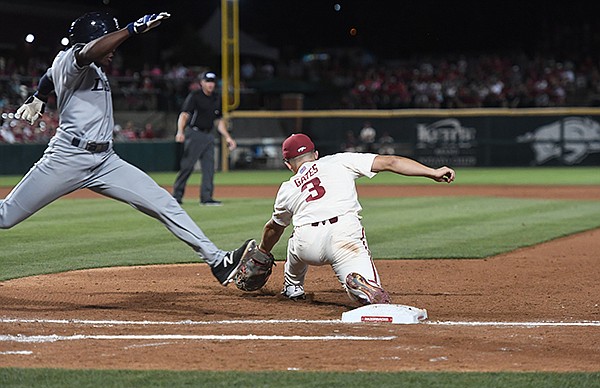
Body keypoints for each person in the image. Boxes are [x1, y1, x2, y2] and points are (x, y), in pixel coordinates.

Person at [3, 11, 255, 286]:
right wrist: (129, 30)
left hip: (105, 161)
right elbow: (85, 54)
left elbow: (49, 77)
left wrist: (39, 95)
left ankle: (218, 261)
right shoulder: (74, 59)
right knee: (6, 216)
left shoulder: (82, 65)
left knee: (163, 202)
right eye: (109, 41)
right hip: (67, 158)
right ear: (94, 40)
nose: (114, 50)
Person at [256, 133, 455, 304]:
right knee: (374, 294)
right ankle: (360, 288)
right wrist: (433, 172)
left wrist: (263, 251)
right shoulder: (339, 160)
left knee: (294, 237)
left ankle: (293, 288)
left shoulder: (287, 188)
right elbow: (391, 162)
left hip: (307, 244)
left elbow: (274, 228)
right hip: (344, 238)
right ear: (316, 155)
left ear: (287, 164)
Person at [172, 71, 237, 206]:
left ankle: (206, 198)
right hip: (194, 133)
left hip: (209, 135)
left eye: (212, 81)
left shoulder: (216, 98)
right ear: (201, 83)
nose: (210, 84)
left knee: (209, 168)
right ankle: (176, 196)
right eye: (207, 81)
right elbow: (184, 115)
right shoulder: (195, 96)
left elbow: (218, 121)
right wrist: (180, 131)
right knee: (187, 166)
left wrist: (228, 137)